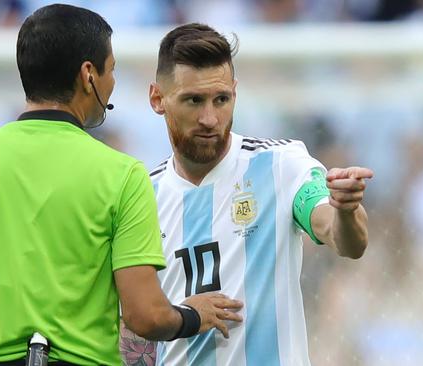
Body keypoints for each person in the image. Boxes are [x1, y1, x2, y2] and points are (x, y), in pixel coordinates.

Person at [0, 6, 243, 366]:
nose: (112, 82)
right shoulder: (122, 174)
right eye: (111, 70)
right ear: (88, 75)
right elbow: (145, 316)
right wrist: (194, 314)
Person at [120, 23, 374, 365]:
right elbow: (133, 333)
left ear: (234, 94)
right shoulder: (140, 197)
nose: (210, 118)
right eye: (194, 101)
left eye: (221, 99)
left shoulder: (280, 165)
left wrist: (345, 209)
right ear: (157, 99)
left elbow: (343, 239)